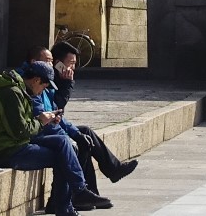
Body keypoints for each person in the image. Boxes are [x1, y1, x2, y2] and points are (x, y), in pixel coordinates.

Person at [0, 62, 103, 214]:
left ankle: (78, 191)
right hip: (6, 150)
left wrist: (47, 120)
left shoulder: (21, 90)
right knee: (62, 156)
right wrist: (41, 121)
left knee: (64, 143)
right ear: (36, 80)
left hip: (18, 143)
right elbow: (19, 131)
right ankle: (67, 203)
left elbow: (23, 125)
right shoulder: (11, 93)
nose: (42, 91)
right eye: (44, 87)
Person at [37, 42, 139, 194]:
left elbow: (57, 112)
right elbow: (55, 109)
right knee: (80, 140)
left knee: (85, 133)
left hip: (53, 127)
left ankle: (103, 180)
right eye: (70, 64)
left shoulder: (54, 79)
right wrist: (66, 84)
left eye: (74, 64)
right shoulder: (42, 81)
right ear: (58, 63)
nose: (72, 68)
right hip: (43, 132)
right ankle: (88, 190)